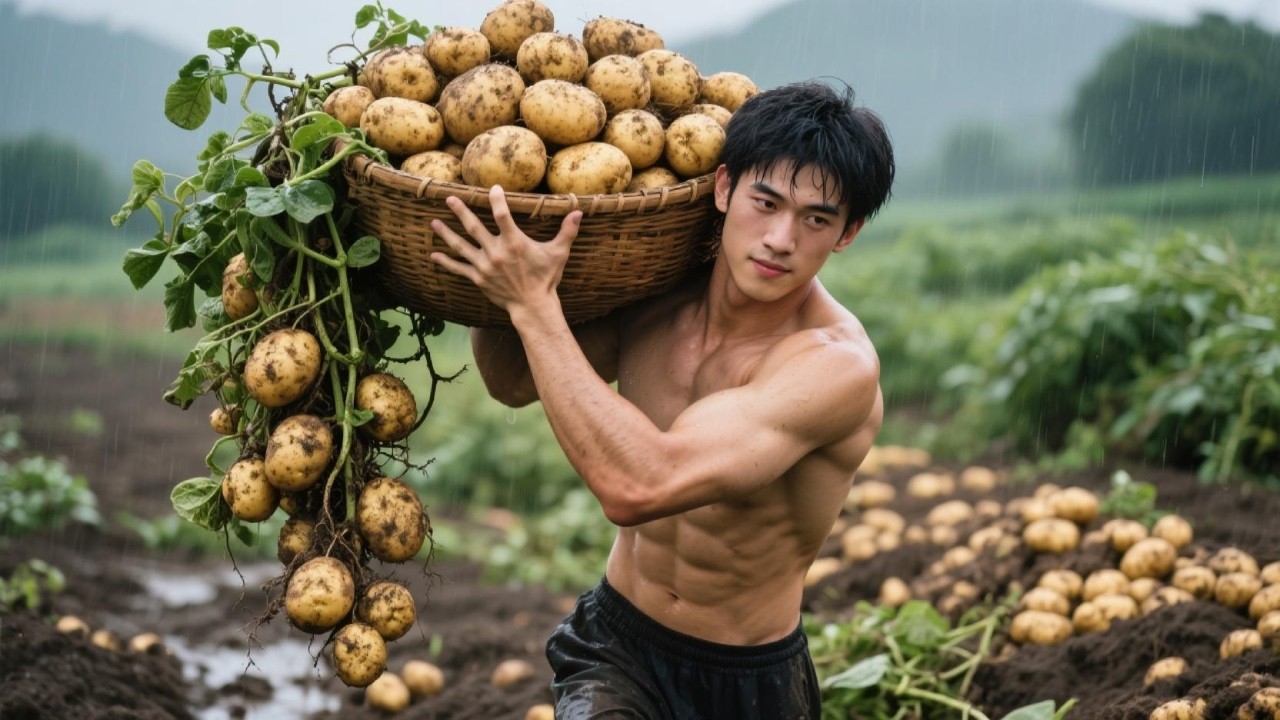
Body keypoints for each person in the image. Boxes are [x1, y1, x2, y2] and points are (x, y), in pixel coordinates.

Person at [428, 80, 895, 719]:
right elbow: (510, 381)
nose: (781, 238)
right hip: (616, 644)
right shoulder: (654, 298)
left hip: (747, 678)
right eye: (766, 201)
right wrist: (503, 267)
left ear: (847, 234)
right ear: (725, 188)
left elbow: (640, 486)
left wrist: (535, 306)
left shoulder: (832, 367)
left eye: (816, 219)